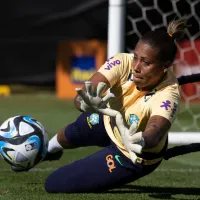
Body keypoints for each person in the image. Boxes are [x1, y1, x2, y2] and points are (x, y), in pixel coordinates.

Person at [14, 18, 188, 193]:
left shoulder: (169, 95)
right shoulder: (123, 62)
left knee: (54, 184)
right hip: (109, 120)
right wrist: (85, 102)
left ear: (165, 66)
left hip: (130, 154)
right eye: (136, 57)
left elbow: (155, 133)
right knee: (74, 131)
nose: (136, 67)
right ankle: (48, 150)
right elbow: (83, 94)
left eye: (146, 63)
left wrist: (139, 140)